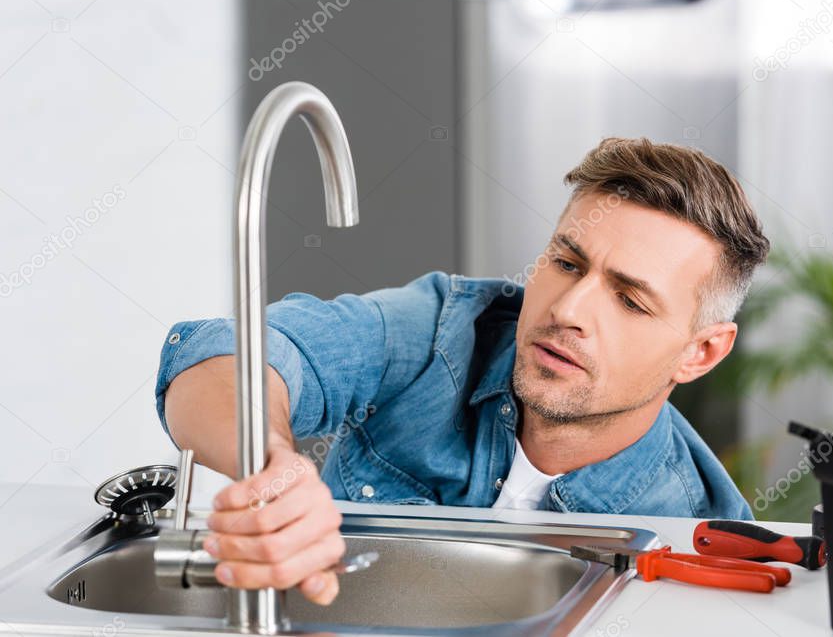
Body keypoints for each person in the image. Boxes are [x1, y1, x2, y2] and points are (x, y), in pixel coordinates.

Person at [156, 137, 770, 605]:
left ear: (702, 352)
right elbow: (223, 354)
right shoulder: (442, 331)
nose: (567, 309)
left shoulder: (701, 533)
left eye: (631, 301)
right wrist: (273, 470)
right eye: (565, 262)